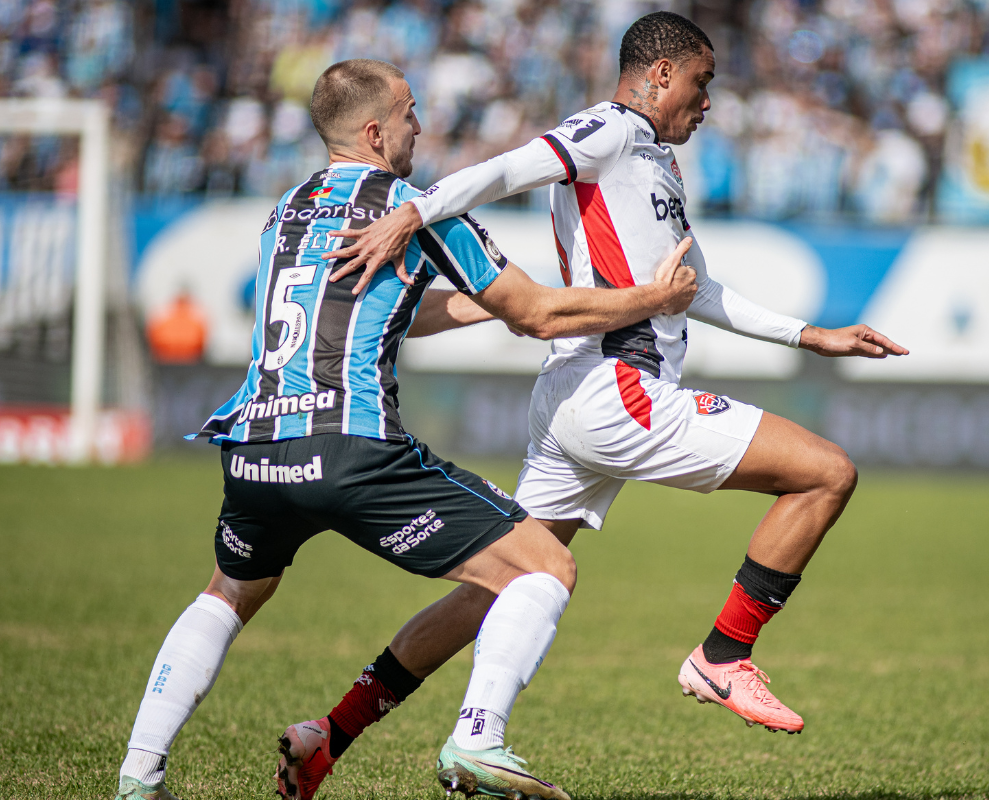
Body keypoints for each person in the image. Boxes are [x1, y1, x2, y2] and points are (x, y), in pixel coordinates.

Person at [278, 14, 907, 800]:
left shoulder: (654, 163)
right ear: (661, 74)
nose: (708, 103)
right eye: (702, 83)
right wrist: (416, 209)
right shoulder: (608, 129)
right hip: (622, 390)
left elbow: (696, 290)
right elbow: (512, 168)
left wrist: (811, 336)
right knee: (825, 474)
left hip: (574, 395)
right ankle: (720, 657)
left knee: (502, 584)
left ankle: (329, 737)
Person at [113, 58, 699, 800]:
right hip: (350, 449)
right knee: (544, 567)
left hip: (253, 449)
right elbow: (544, 313)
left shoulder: (283, 211)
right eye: (409, 111)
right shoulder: (411, 205)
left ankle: (138, 777)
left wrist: (488, 305)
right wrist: (653, 296)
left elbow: (379, 313)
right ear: (373, 130)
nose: (419, 124)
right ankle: (478, 740)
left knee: (227, 595)